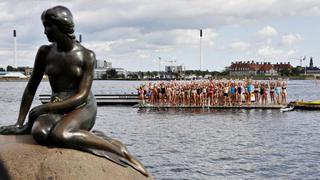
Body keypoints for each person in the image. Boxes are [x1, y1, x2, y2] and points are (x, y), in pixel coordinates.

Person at [0, 6, 148, 176]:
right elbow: (31, 87)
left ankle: (118, 150)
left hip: (82, 106)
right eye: (44, 26)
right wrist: (20, 123)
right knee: (39, 132)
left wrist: (45, 108)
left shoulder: (86, 56)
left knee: (61, 135)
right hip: (57, 105)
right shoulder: (44, 52)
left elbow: (82, 95)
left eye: (49, 26)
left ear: (63, 26)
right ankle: (86, 135)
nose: (45, 31)